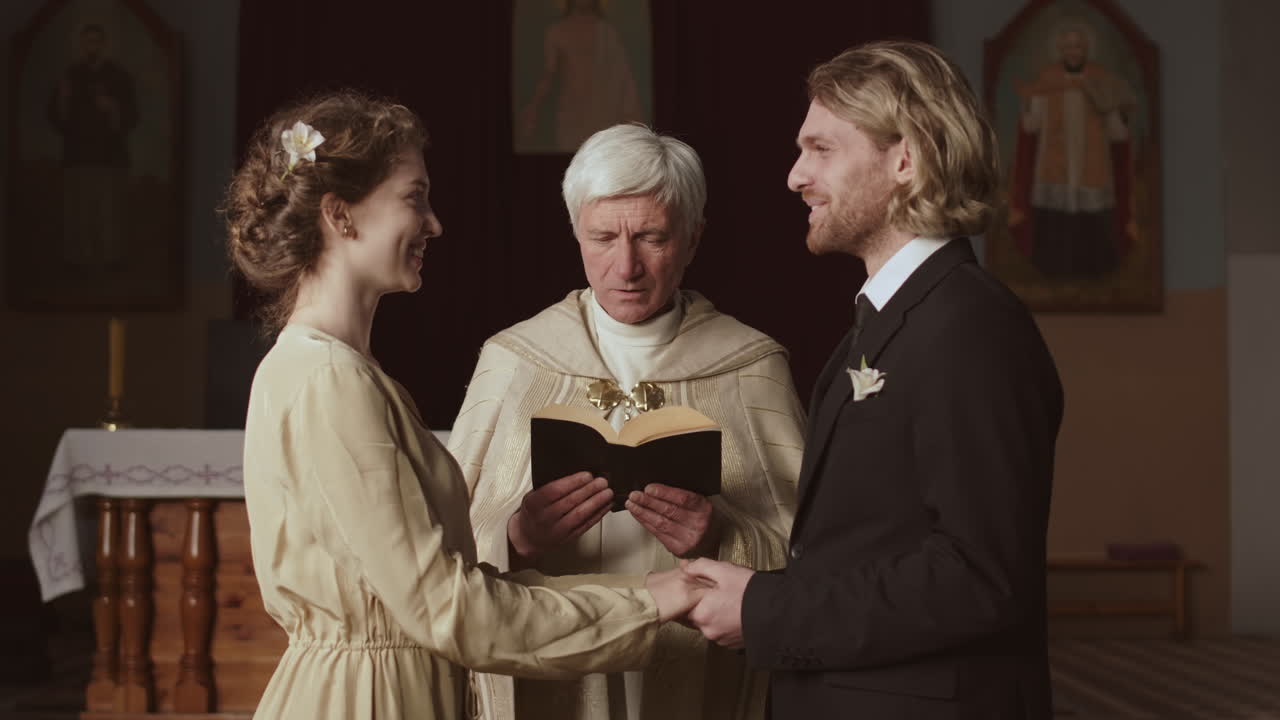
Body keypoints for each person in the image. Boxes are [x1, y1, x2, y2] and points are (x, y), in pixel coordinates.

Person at [223, 91, 704, 720]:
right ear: (341, 216)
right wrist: (656, 598)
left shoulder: (346, 371)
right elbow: (449, 611)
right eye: (414, 197)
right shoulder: (327, 380)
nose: (433, 223)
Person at [684, 40, 1064, 719]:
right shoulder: (897, 320)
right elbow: (867, 544)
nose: (795, 176)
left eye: (822, 149)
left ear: (906, 160)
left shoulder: (969, 327)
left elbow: (980, 577)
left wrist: (769, 610)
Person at [451, 123, 804, 720]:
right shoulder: (512, 359)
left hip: (693, 668)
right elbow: (441, 540)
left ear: (693, 239)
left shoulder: (752, 366)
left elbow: (818, 553)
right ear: (575, 235)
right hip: (551, 658)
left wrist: (720, 537)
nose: (626, 265)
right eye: (602, 237)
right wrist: (515, 540)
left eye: (651, 237)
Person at [1010, 23, 1137, 278]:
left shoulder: (1101, 80)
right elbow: (1032, 125)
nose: (1073, 52)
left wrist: (1120, 115)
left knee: (1092, 222)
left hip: (1093, 166)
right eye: (1068, 46)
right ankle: (1052, 271)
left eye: (1078, 46)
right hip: (1054, 164)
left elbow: (1116, 132)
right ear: (1060, 49)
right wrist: (1027, 104)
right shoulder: (1046, 81)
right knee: (1056, 222)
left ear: (1086, 48)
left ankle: (1095, 271)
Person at [47, 23, 137, 266]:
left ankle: (111, 260)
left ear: (104, 45)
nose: (92, 47)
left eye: (96, 41)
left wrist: (113, 108)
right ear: (82, 45)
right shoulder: (70, 76)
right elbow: (56, 119)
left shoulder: (119, 77)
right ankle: (78, 261)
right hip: (76, 157)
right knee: (77, 213)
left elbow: (132, 117)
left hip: (110, 158)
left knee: (109, 212)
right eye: (88, 42)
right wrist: (64, 99)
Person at [516, 0, 643, 152]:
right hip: (570, 110)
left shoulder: (607, 32)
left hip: (602, 108)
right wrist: (533, 109)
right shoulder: (557, 31)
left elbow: (623, 77)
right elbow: (549, 75)